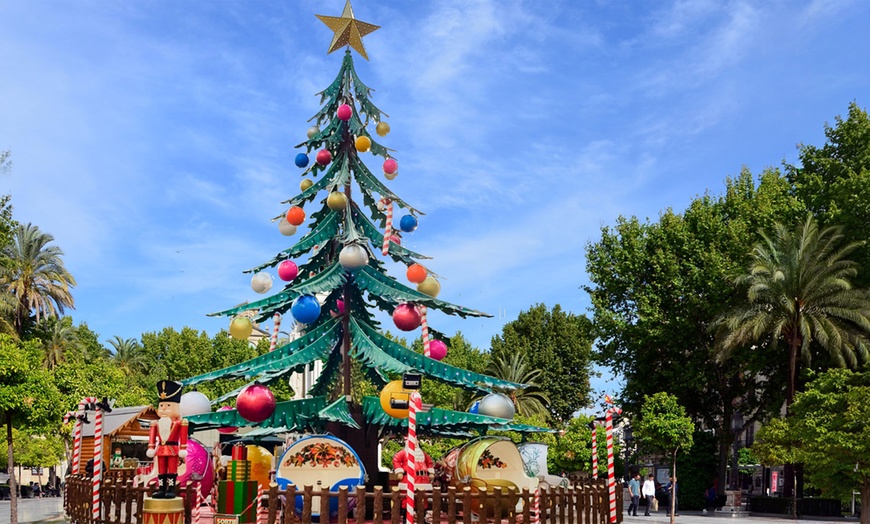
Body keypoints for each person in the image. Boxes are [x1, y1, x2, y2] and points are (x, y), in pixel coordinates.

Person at [146, 380, 188, 499]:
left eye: (168, 406)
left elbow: (183, 436)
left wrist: (183, 448)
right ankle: (161, 489)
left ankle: (171, 489)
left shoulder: (181, 422)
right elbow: (152, 437)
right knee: (161, 470)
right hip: (161, 449)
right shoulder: (155, 423)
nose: (164, 409)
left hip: (173, 448)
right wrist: (151, 447)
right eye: (161, 406)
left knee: (172, 469)